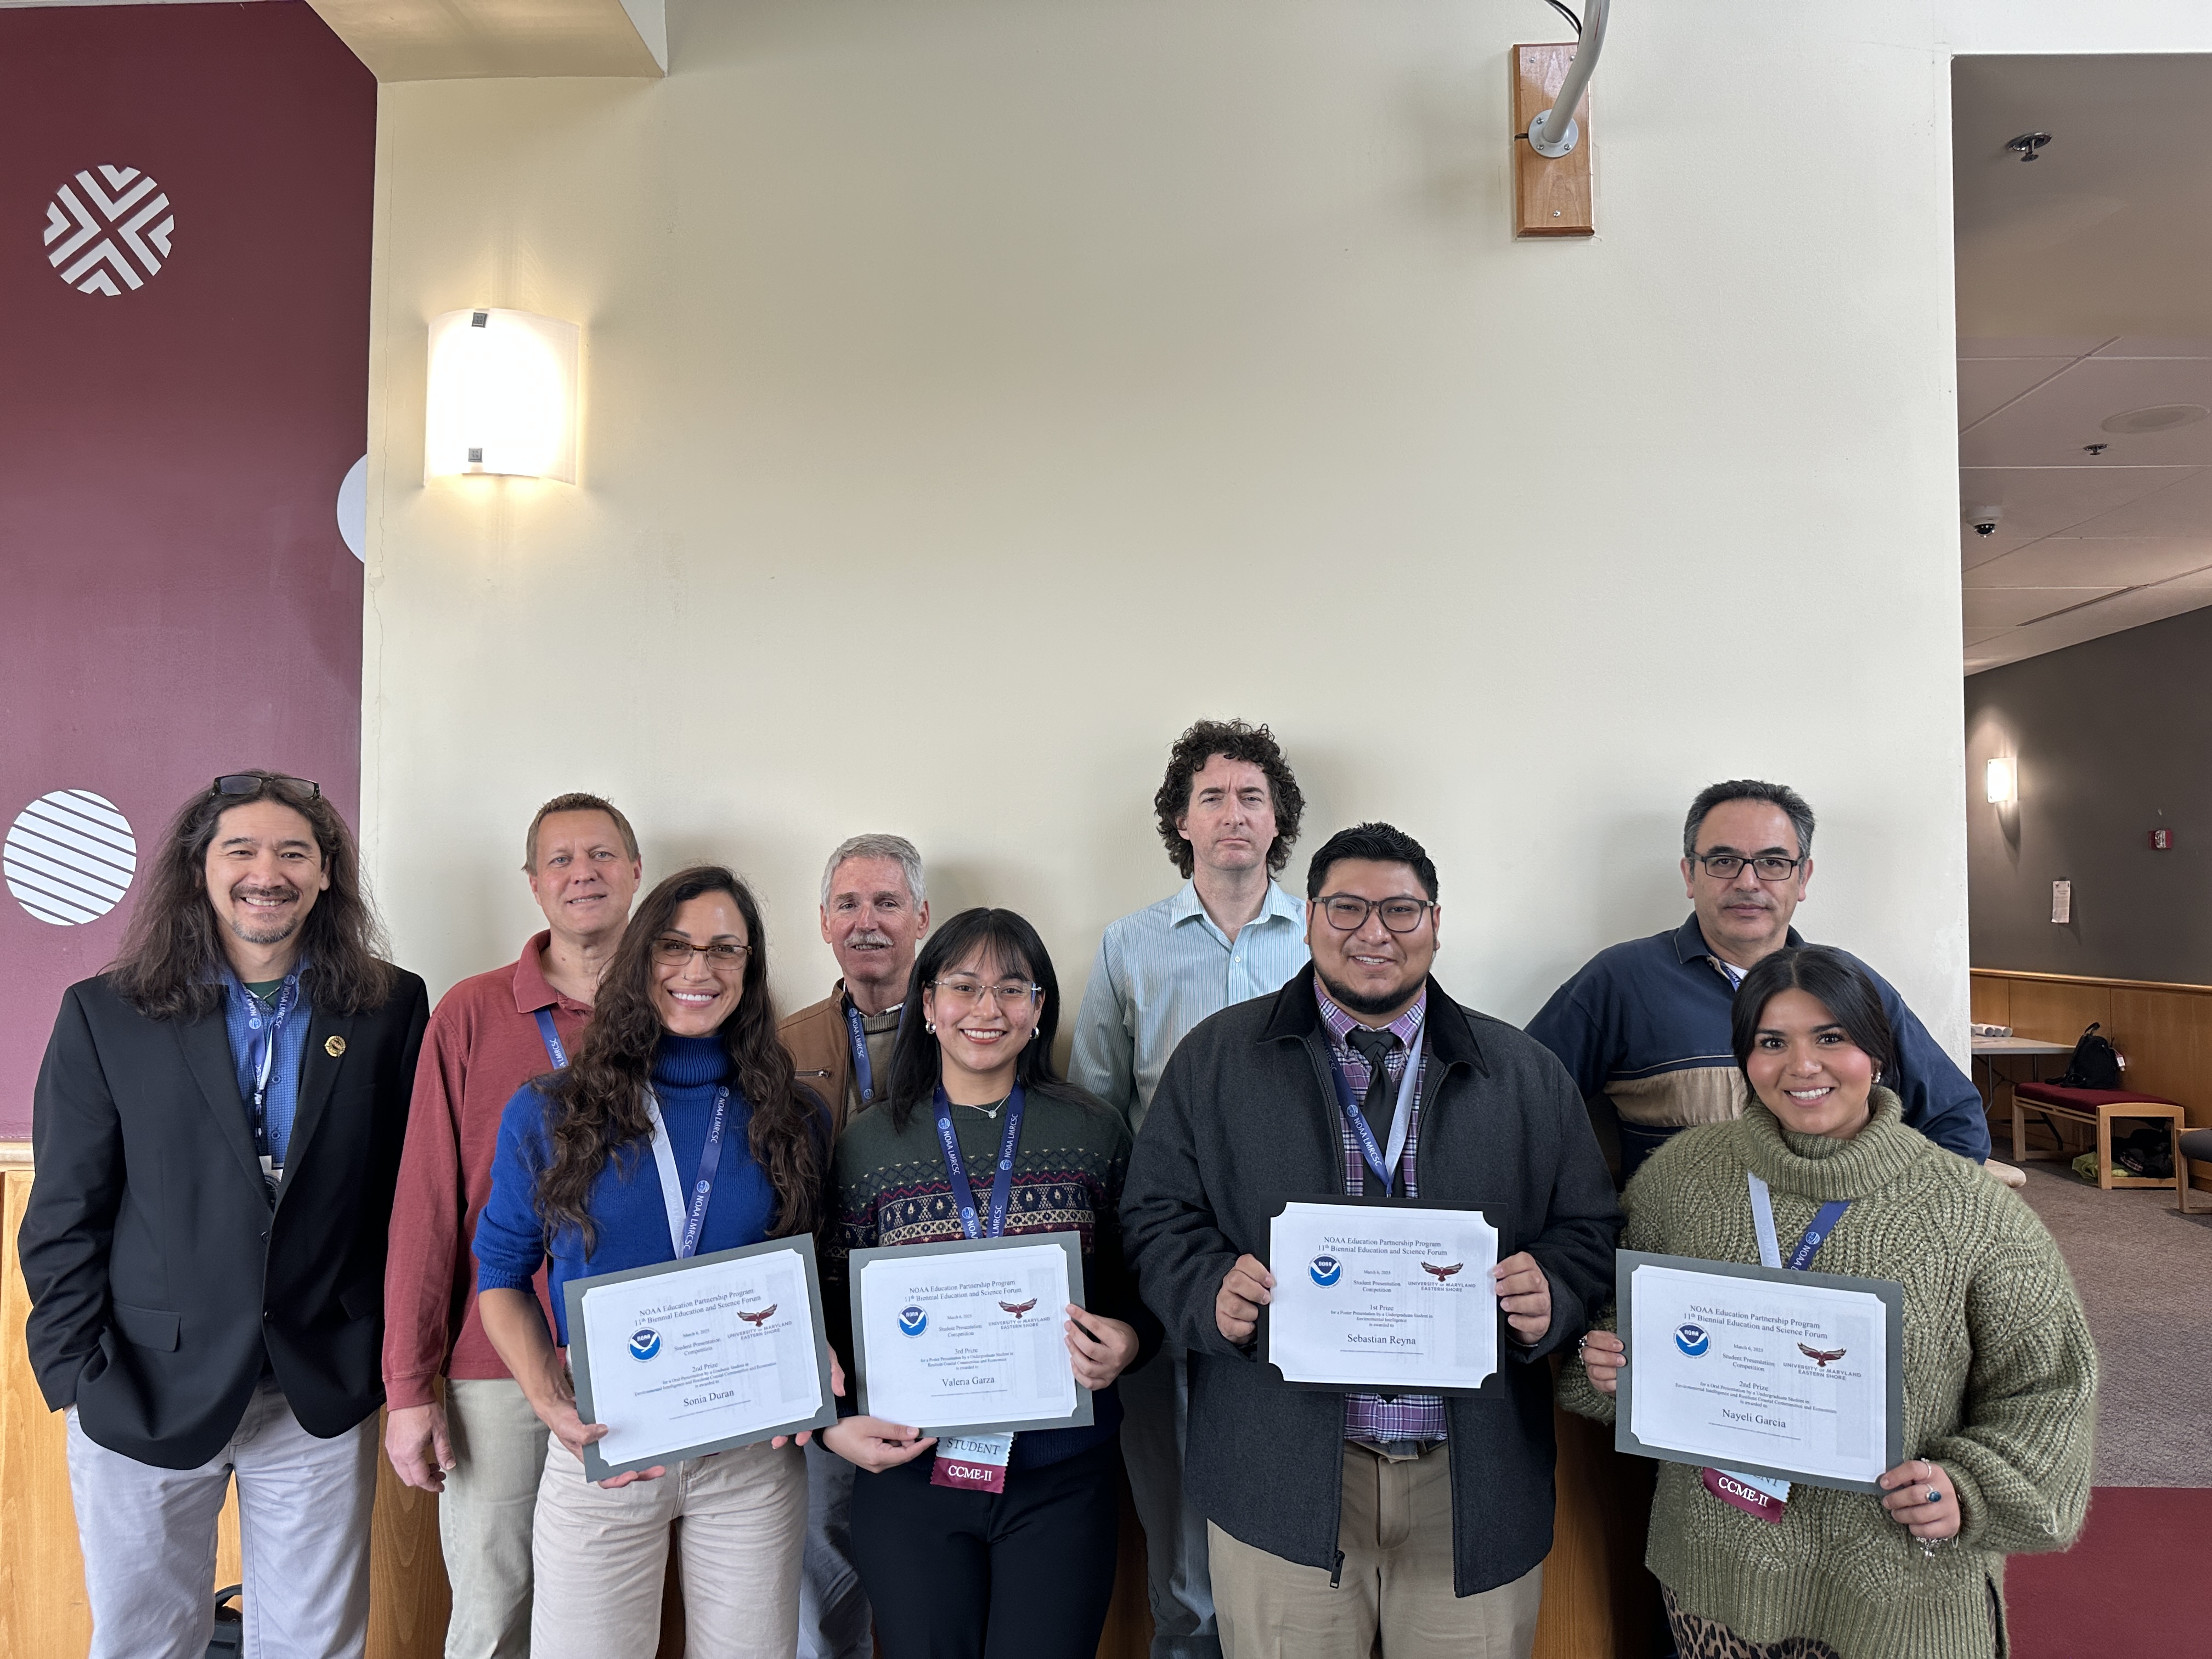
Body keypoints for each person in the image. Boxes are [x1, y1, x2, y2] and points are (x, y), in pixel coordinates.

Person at [1122, 822, 1620, 1659]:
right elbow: (1154, 1217)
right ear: (1310, 918)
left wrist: (1556, 1295)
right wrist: (1209, 1290)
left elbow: (1589, 1227)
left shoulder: (1524, 1071)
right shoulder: (1216, 1062)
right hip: (1281, 1473)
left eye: (1400, 909)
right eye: (1347, 908)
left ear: (1435, 921)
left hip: (1471, 1482)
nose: (1374, 933)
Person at [1561, 946, 2096, 1657]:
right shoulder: (1678, 1181)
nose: (1801, 1066)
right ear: (1744, 1060)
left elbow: (2052, 1388)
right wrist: (1604, 1365)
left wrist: (1967, 1491)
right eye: (1772, 1042)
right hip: (1716, 1582)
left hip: (1898, 1600)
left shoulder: (1971, 1214)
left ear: (1878, 1053)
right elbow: (1615, 1328)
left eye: (1831, 1038)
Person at [20, 770, 428, 1659]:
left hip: (316, 1388)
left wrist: (392, 1364)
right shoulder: (106, 1013)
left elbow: (409, 1197)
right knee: (144, 1640)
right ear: (198, 868)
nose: (266, 870)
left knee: (313, 1644)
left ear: (326, 874)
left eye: (294, 851)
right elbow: (63, 1214)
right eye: (239, 848)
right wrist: (75, 1376)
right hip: (139, 1386)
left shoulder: (390, 1005)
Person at [471, 865, 832, 1658]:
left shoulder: (792, 1115)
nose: (699, 970)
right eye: (675, 946)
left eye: (725, 950)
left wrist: (818, 1355)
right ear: (640, 958)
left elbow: (807, 1271)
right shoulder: (552, 1111)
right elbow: (498, 1275)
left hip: (751, 1462)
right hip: (605, 1445)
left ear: (751, 968)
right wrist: (547, 1397)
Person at [823, 907, 1161, 1659]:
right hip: (911, 1476)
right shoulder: (869, 1143)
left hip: (1062, 1478)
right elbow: (830, 1303)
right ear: (929, 1006)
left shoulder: (1093, 1130)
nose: (987, 1010)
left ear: (1039, 1010)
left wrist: (1131, 1341)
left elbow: (1143, 1276)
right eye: (964, 987)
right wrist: (833, 1419)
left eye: (1013, 989)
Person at [381, 791, 642, 1659]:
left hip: (642, 1361)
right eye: (561, 860)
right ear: (533, 885)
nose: (583, 874)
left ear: (636, 872)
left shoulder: (684, 1006)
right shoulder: (470, 1012)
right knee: (494, 1612)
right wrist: (410, 1387)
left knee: (604, 1617)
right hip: (493, 1368)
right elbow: (425, 1205)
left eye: (602, 855)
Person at [1069, 717, 1310, 1659]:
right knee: (1175, 1515)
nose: (1233, 814)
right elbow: (1096, 1101)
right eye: (1212, 795)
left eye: (1252, 795)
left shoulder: (1322, 937)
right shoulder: (1130, 945)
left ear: (1277, 815)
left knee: (1287, 1481)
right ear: (1180, 818)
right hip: (1164, 1253)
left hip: (1294, 1260)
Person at [1527, 779, 1993, 1183]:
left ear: (1803, 877)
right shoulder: (1620, 981)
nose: (1748, 882)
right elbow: (1522, 1112)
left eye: (1773, 863)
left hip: (1837, 1256)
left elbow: (1956, 1119)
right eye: (1724, 861)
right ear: (1690, 874)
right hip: (1683, 1256)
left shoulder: (1854, 986)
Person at [777, 832, 931, 1659]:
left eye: (886, 903)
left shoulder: (970, 1027)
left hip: (939, 1332)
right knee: (822, 1568)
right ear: (824, 923)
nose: (867, 922)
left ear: (922, 917)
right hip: (825, 1342)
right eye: (848, 904)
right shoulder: (781, 1044)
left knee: (926, 1562)